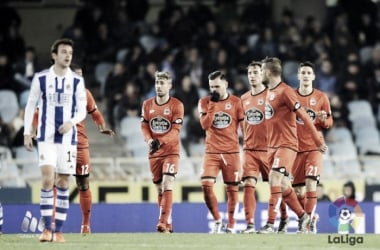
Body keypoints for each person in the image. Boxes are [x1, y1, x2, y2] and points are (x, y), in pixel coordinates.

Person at [32, 64, 115, 235]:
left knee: (83, 183)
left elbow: (95, 113)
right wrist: (32, 130)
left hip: (80, 144)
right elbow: (37, 113)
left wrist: (101, 127)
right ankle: (51, 222)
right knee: (57, 181)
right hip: (60, 143)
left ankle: (86, 225)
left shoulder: (85, 94)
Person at [23, 38, 87, 243]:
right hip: (46, 138)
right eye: (64, 52)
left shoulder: (77, 81)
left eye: (70, 52)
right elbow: (31, 105)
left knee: (63, 182)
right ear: (54, 55)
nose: (68, 55)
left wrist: (71, 122)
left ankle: (58, 230)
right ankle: (46, 229)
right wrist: (27, 132)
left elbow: (82, 109)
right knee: (48, 179)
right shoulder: (41, 78)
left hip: (68, 139)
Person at [258, 57, 328, 234]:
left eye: (260, 72)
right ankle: (304, 216)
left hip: (287, 144)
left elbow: (304, 116)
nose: (259, 75)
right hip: (272, 146)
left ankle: (270, 224)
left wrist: (319, 141)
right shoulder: (269, 92)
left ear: (267, 72)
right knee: (284, 186)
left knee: (277, 179)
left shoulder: (286, 91)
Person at [198, 70, 244, 233]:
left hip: (232, 152)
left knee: (232, 189)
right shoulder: (204, 102)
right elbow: (205, 125)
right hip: (212, 152)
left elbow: (244, 127)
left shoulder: (237, 102)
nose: (214, 90)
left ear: (225, 84)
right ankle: (217, 219)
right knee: (206, 185)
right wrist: (213, 104)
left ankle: (231, 225)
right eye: (211, 87)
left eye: (217, 86)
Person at [290, 61, 333, 233]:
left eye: (309, 73)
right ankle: (310, 217)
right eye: (303, 72)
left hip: (314, 147)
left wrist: (323, 119)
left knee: (310, 183)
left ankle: (306, 225)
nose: (306, 75)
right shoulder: (291, 96)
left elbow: (329, 122)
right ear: (299, 75)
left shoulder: (322, 97)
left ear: (313, 76)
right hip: (295, 149)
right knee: (298, 191)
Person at [140, 71, 184, 233]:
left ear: (170, 86)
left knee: (167, 182)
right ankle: (169, 224)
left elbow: (175, 130)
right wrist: (149, 140)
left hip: (171, 151)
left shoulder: (177, 105)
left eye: (163, 83)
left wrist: (161, 141)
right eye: (157, 83)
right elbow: (144, 125)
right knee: (159, 189)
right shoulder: (147, 104)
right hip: (154, 152)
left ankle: (162, 221)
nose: (159, 86)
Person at [240, 61, 270, 233]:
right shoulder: (243, 99)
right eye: (250, 72)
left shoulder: (271, 96)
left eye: (256, 72)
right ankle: (250, 224)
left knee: (279, 187)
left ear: (263, 74)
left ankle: (286, 219)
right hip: (250, 150)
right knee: (248, 183)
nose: (252, 75)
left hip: (269, 149)